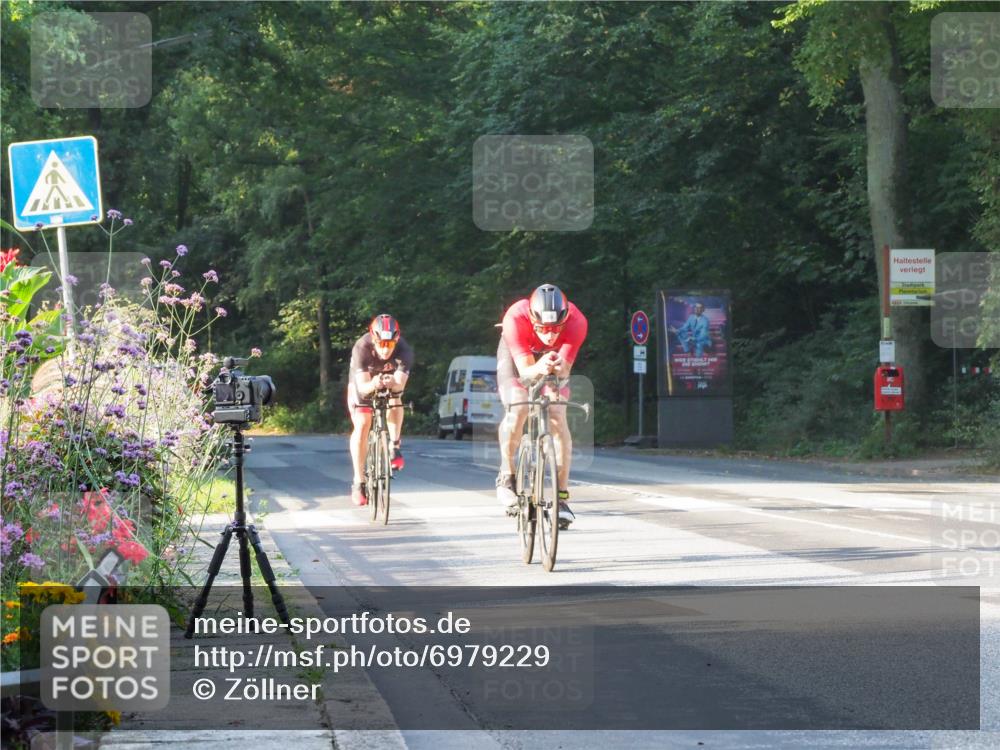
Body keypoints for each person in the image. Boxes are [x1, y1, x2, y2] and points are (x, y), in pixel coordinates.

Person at [495, 284, 588, 529]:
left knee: (557, 413)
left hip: (552, 362)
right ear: (533, 320)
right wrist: (539, 366)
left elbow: (565, 370)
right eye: (544, 330)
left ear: (565, 319)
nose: (550, 336)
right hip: (518, 362)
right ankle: (507, 476)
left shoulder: (577, 321)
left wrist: (556, 371)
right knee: (519, 407)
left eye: (556, 329)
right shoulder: (515, 317)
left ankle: (562, 497)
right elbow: (526, 373)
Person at [347, 314, 413, 506]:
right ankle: (359, 481)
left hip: (387, 379)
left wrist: (392, 383)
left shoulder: (404, 350)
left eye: (389, 345)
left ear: (396, 341)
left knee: (396, 398)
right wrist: (375, 383)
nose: (385, 349)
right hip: (365, 382)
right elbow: (363, 388)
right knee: (362, 422)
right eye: (381, 344)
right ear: (374, 340)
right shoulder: (362, 347)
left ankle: (394, 445)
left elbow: (400, 386)